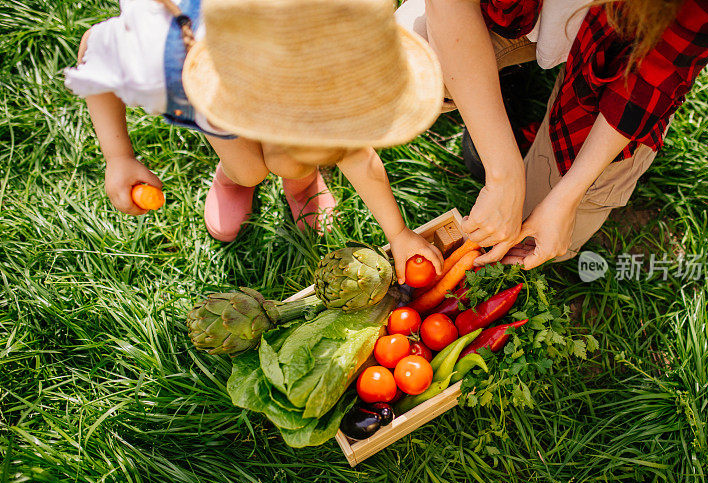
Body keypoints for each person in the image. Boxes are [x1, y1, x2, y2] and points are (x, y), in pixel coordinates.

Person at [65, 0, 445, 283]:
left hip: (235, 82)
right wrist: (117, 156)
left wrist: (398, 233)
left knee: (287, 161)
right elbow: (90, 55)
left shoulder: (319, 63)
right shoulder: (156, 60)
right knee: (248, 169)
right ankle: (235, 176)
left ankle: (300, 177)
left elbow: (359, 160)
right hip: (205, 93)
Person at [397, 0, 708, 269]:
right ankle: (502, 85)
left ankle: (510, 97)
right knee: (400, 77)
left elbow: (650, 80)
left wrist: (566, 198)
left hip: (619, 54)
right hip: (517, 10)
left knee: (536, 230)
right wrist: (504, 173)